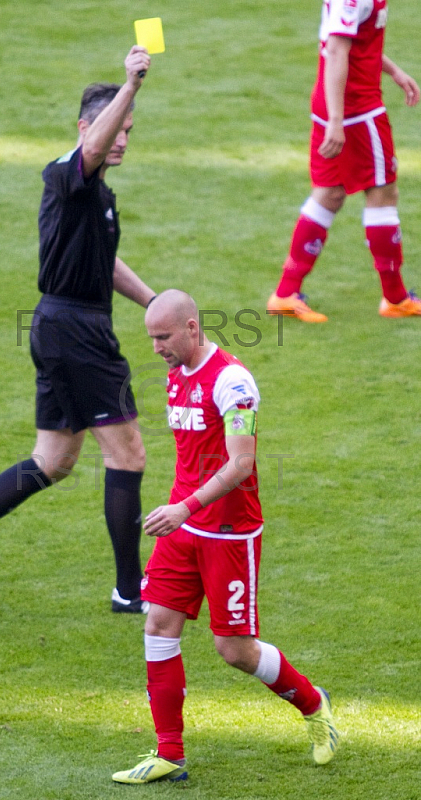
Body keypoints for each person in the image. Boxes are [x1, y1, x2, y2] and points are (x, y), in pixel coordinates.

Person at [0, 45, 157, 613]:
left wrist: (151, 301)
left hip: (64, 327)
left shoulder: (96, 194)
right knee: (128, 456)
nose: (120, 138)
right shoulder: (67, 173)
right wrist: (131, 86)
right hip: (75, 332)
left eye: (129, 130)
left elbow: (104, 262)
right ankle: (130, 592)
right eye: (113, 127)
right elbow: (92, 149)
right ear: (85, 127)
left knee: (54, 460)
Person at [112, 290, 338, 785]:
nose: (156, 348)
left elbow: (241, 463)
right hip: (182, 526)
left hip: (228, 532)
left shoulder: (234, 383)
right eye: (150, 338)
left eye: (164, 337)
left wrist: (184, 506)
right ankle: (169, 752)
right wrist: (181, 510)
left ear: (193, 328)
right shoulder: (176, 375)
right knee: (159, 626)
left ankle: (312, 702)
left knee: (234, 650)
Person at [267, 0, 421, 323]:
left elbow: (355, 42)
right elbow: (336, 50)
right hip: (356, 110)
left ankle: (285, 293)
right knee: (382, 192)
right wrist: (337, 120)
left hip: (334, 104)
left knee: (330, 193)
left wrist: (393, 71)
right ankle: (395, 298)